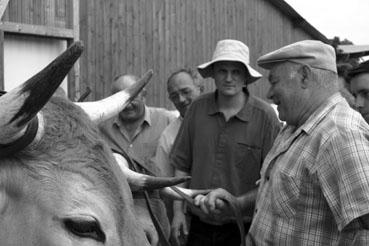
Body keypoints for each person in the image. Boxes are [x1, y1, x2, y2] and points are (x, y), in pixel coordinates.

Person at [195, 40, 369, 245]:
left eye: (274, 81)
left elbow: (364, 232)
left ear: (304, 76)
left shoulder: (340, 134)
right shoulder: (294, 127)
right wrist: (237, 203)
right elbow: (278, 194)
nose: (269, 93)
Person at [169, 39, 281, 246]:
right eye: (222, 71)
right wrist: (177, 213)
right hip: (198, 225)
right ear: (213, 74)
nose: (229, 78)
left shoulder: (265, 117)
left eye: (236, 72)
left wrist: (237, 204)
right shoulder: (197, 109)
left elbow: (271, 180)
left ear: (245, 76)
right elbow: (181, 165)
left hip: (244, 228)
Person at [99, 74, 177, 240]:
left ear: (144, 95)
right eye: (120, 99)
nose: (127, 105)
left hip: (158, 208)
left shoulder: (168, 120)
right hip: (117, 210)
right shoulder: (101, 127)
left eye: (133, 97)